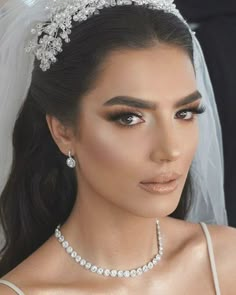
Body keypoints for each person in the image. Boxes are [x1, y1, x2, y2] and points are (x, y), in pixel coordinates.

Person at [0, 0, 235, 294]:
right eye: (129, 118)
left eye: (184, 113)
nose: (170, 150)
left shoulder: (227, 259)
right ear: (63, 131)